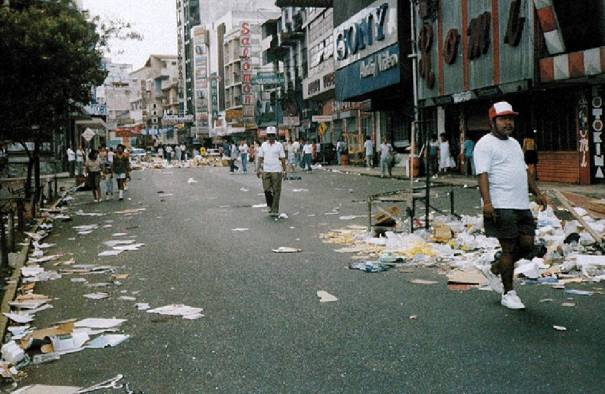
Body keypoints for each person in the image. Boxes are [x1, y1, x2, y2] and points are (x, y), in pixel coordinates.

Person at [474, 101, 548, 310]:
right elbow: (482, 175)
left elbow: (524, 171)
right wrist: (488, 203)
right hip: (500, 204)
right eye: (503, 119)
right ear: (493, 121)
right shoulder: (484, 144)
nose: (508, 123)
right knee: (508, 248)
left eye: (511, 119)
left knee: (527, 245)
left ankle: (495, 268)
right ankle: (509, 293)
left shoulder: (515, 143)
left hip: (520, 203)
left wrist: (537, 192)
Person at [257, 126, 286, 217]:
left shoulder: (279, 145)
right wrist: (258, 169)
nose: (271, 137)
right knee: (266, 190)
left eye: (272, 135)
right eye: (269, 135)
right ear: (267, 136)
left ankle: (275, 209)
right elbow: (260, 158)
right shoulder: (263, 145)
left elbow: (282, 159)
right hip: (266, 170)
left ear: (275, 136)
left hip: (277, 170)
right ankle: (270, 205)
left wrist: (284, 170)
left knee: (276, 191)